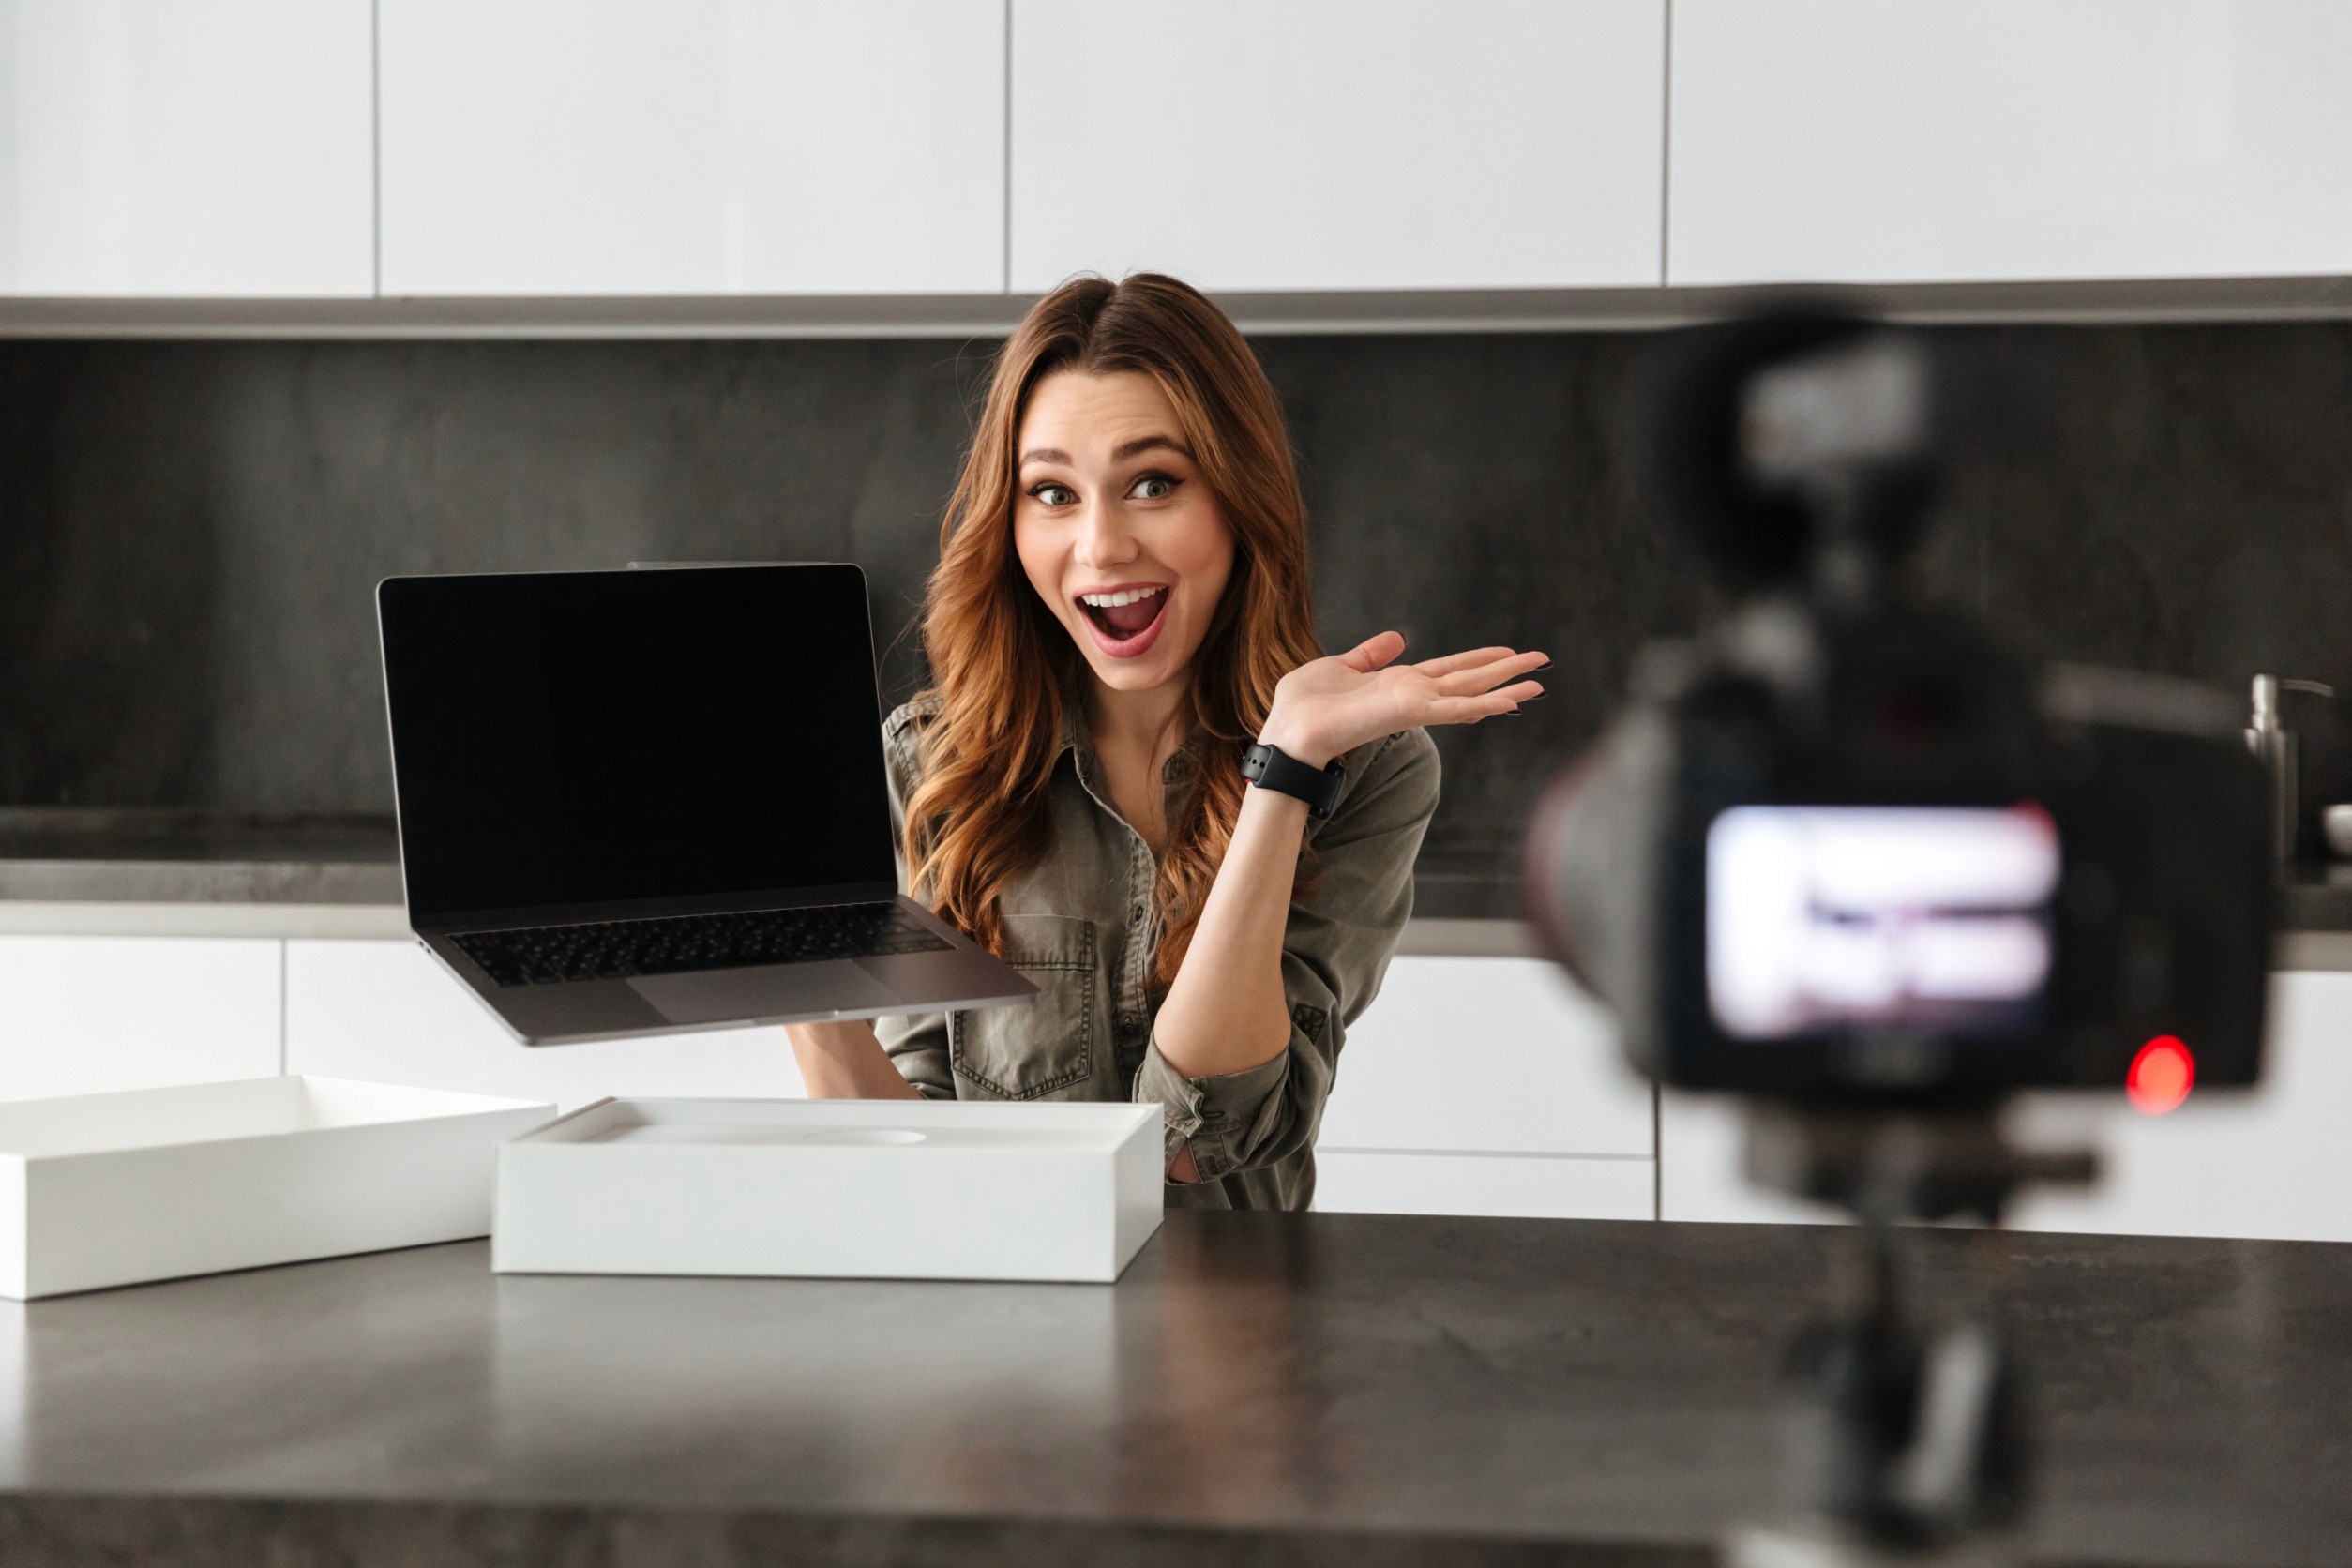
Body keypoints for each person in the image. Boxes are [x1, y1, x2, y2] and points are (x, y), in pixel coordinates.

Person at [786, 274, 1543, 1209]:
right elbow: (914, 1162)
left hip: (1234, 1333)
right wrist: (801, 984)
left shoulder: (1367, 767)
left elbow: (1203, 1143)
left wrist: (1283, 774)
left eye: (1153, 483)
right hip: (1001, 1326)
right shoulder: (932, 764)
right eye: (1053, 492)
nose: (1100, 547)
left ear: (1237, 497)